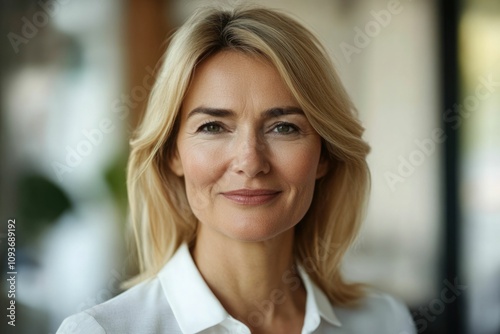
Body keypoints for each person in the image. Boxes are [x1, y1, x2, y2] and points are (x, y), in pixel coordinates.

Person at [57, 4, 416, 334]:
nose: (250, 161)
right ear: (173, 154)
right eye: (213, 127)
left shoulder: (385, 322)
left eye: (284, 127)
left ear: (324, 155)